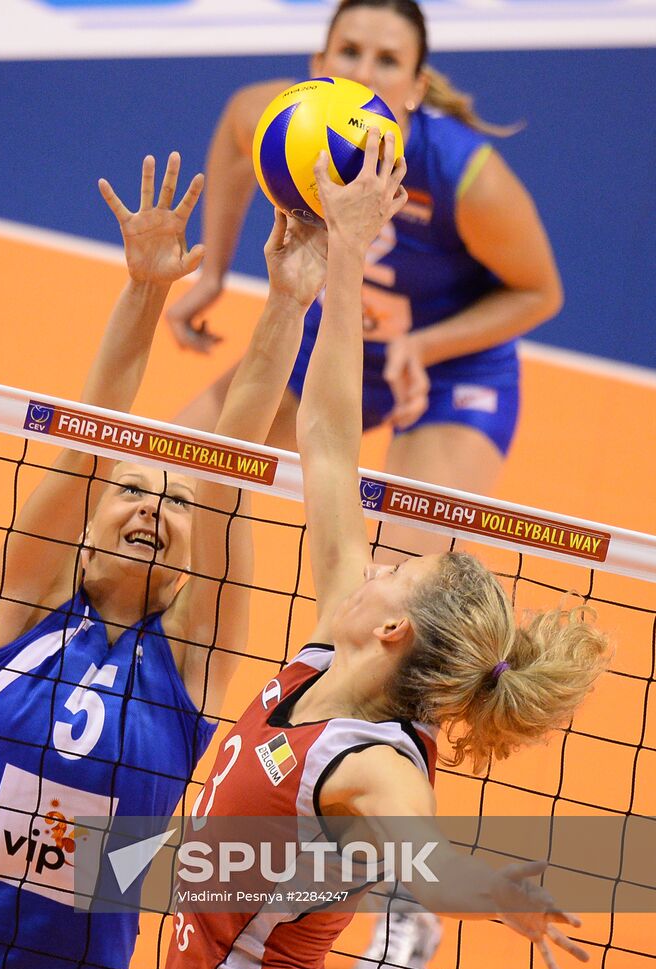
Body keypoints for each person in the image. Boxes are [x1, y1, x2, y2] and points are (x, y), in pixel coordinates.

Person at [156, 130, 608, 969]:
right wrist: (344, 259)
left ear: (394, 627)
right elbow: (328, 442)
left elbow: (427, 865)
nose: (372, 569)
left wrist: (492, 894)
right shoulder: (332, 644)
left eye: (392, 575)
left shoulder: (376, 764)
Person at [0, 152, 329, 969]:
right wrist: (147, 290)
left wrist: (291, 298)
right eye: (133, 491)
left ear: (193, 562)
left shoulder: (189, 669)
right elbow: (88, 442)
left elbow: (233, 467)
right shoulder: (24, 613)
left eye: (174, 503)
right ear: (84, 532)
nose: (152, 507)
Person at [167, 0, 562, 560]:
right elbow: (237, 129)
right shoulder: (282, 122)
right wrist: (213, 275)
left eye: (387, 60)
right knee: (160, 485)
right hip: (325, 346)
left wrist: (424, 345)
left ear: (416, 87)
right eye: (349, 52)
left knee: (395, 595)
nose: (362, 74)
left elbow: (540, 292)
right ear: (318, 61)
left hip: (445, 374)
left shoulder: (465, 176)